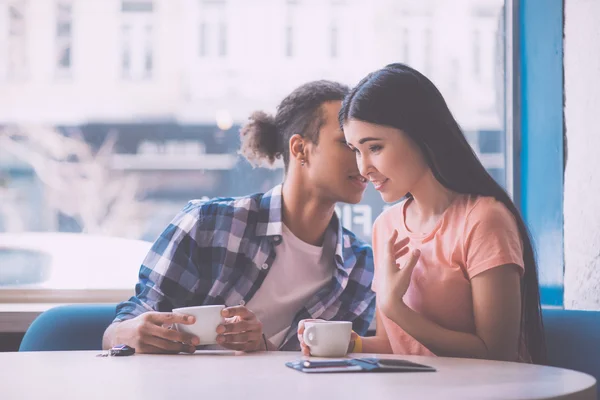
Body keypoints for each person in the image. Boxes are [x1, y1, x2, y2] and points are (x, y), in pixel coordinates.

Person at [102, 80, 376, 354]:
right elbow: (126, 324)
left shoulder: (360, 268)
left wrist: (263, 347)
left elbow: (335, 369)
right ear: (300, 149)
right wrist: (122, 333)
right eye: (347, 145)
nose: (365, 161)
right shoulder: (206, 225)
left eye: (367, 147)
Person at [299, 64, 545, 363]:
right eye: (355, 150)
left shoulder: (484, 220)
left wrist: (396, 309)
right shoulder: (386, 226)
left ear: (422, 135)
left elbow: (497, 355)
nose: (363, 168)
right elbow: (397, 346)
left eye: (374, 147)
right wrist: (350, 344)